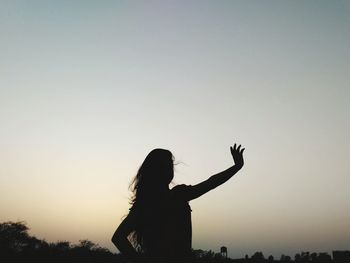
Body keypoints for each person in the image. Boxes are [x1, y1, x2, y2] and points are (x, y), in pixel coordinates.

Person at [112, 143, 245, 263]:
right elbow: (118, 238)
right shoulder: (147, 205)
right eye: (164, 165)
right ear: (154, 170)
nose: (169, 169)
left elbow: (211, 183)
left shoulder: (178, 194)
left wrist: (236, 167)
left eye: (170, 165)